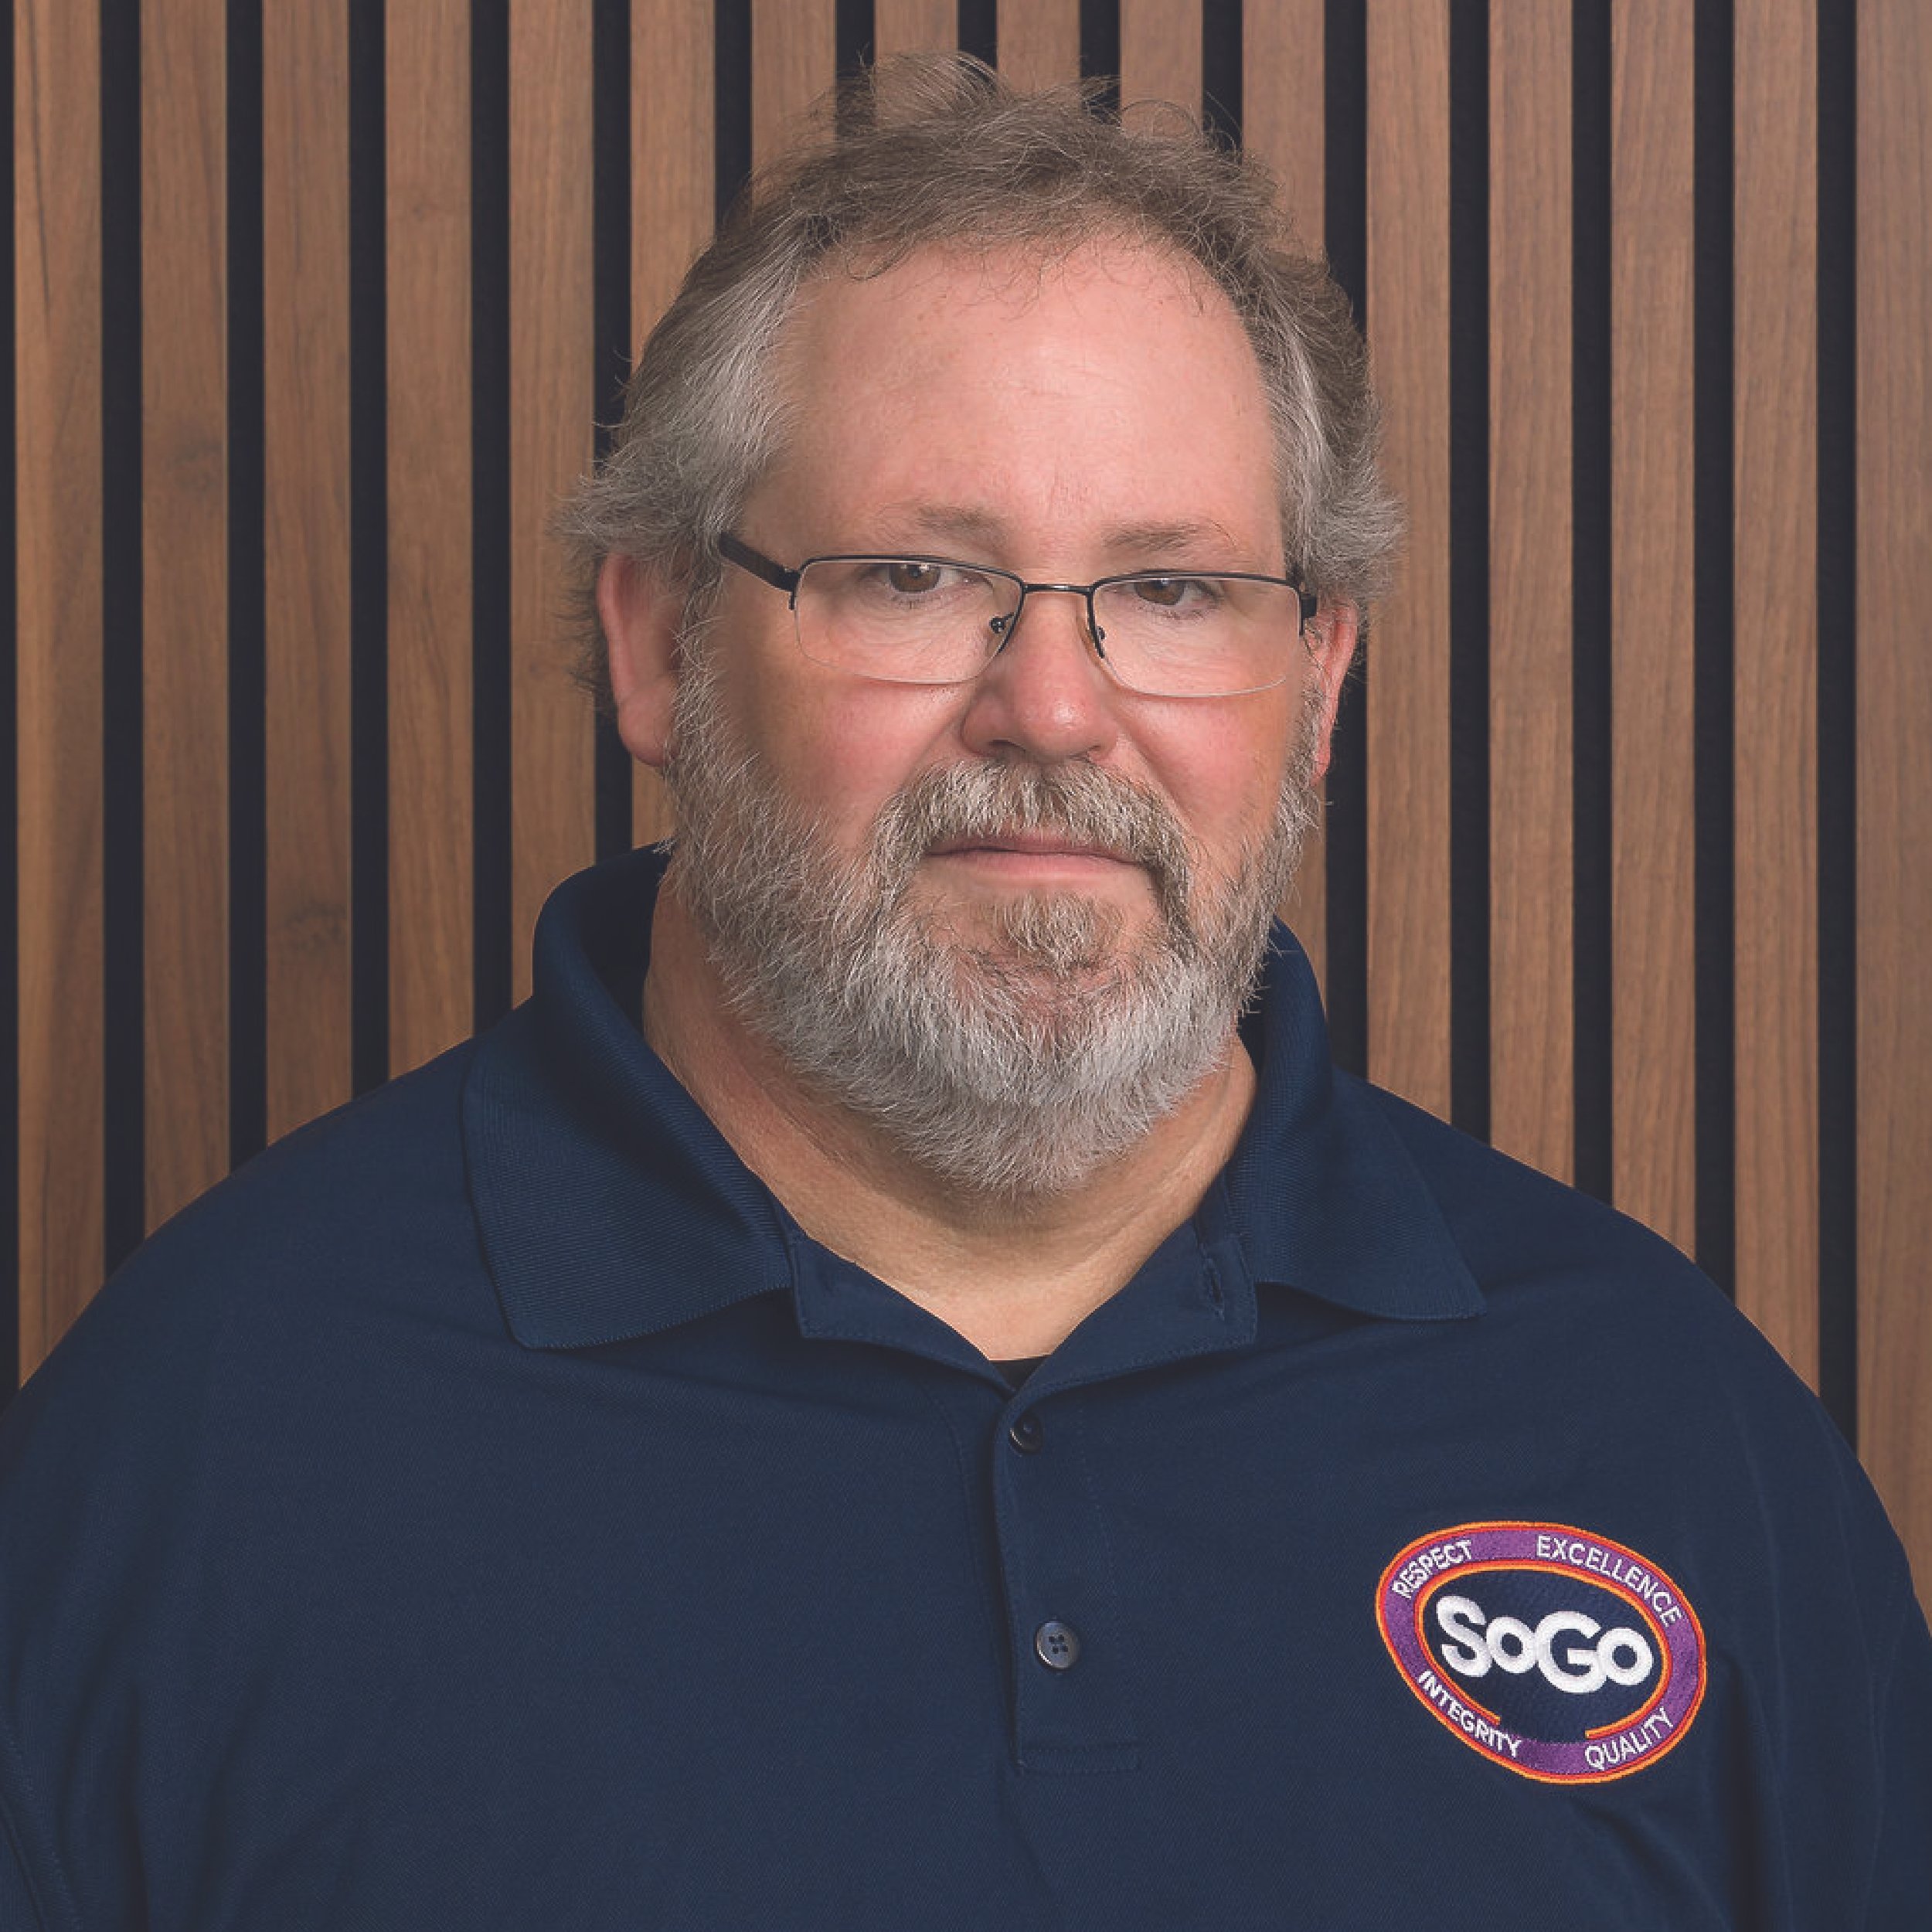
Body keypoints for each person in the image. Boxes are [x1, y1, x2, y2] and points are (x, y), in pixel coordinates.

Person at [1, 56, 1925, 1930]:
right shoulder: (197, 1456)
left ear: (1316, 682)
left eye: (1170, 591)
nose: (1056, 707)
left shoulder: (1663, 1433)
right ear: (663, 645)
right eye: (917, 574)